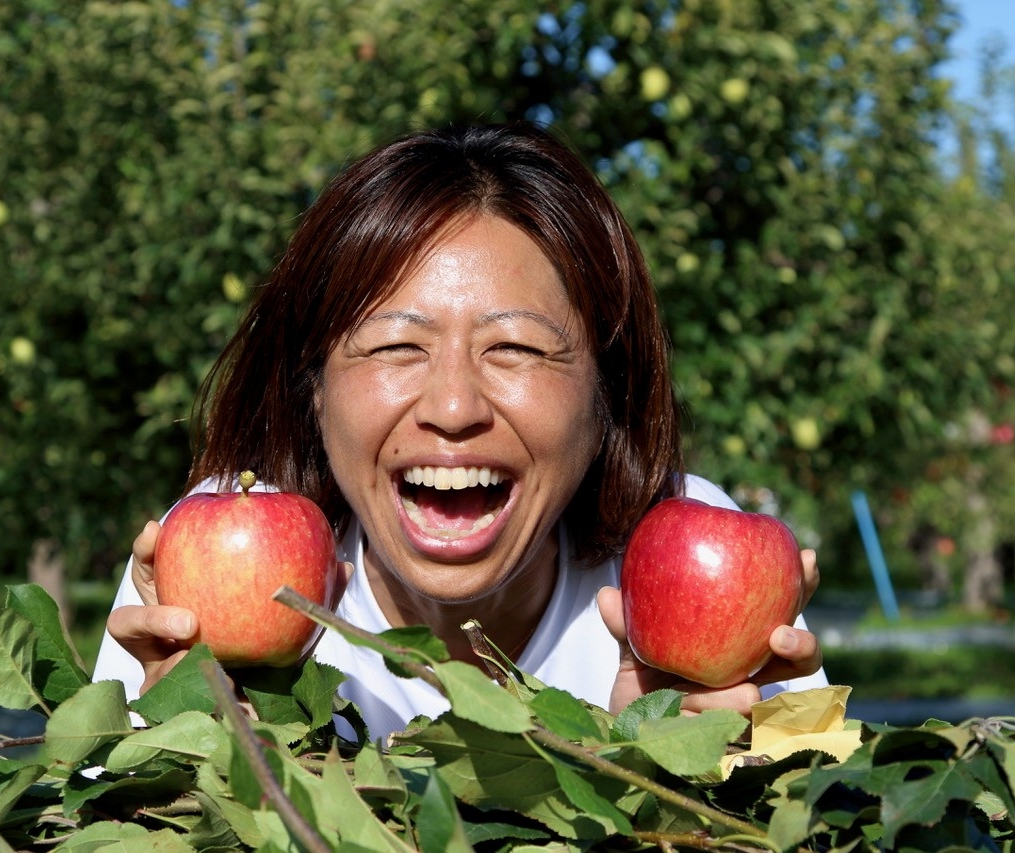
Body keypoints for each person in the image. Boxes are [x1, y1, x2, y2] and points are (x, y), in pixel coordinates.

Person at [93, 122, 827, 738]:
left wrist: (663, 776)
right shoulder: (210, 564)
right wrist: (193, 760)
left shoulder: (705, 561)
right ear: (312, 387)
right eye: (395, 345)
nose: (452, 406)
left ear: (607, 392)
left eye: (515, 348)